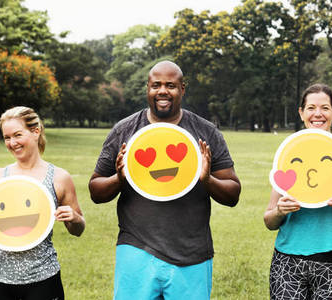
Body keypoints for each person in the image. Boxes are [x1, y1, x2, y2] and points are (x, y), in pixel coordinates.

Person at [88, 60, 241, 299]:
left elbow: (233, 193)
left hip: (191, 254)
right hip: (136, 248)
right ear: (147, 88)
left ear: (182, 89)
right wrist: (119, 178)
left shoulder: (206, 131)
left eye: (170, 85)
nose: (162, 91)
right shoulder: (125, 130)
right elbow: (95, 190)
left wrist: (207, 179)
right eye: (155, 85)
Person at [0, 106, 85, 300]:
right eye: (7, 138)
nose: (12, 143)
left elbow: (78, 229)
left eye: (17, 135)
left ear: (36, 131)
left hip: (42, 278)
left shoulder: (59, 178)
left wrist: (74, 218)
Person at [263, 83, 332, 300]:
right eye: (311, 108)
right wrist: (280, 211)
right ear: (301, 113)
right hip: (287, 260)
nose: (317, 114)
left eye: (325, 108)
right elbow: (269, 220)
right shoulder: (288, 154)